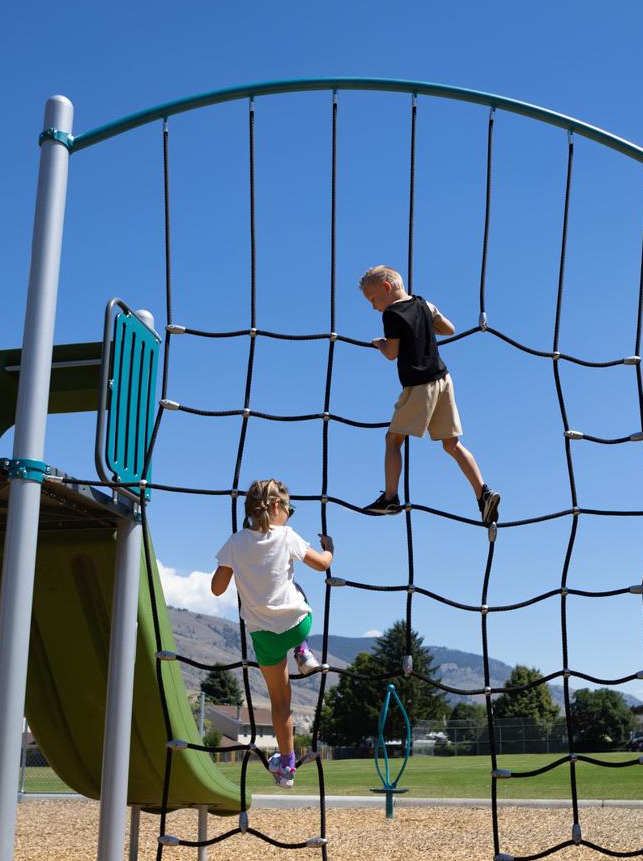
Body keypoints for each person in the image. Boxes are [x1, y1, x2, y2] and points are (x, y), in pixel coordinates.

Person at [210, 479, 335, 787]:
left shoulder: (235, 543)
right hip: (297, 624)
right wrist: (329, 549)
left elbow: (216, 589)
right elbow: (322, 565)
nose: (289, 515)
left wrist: (239, 570)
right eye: (289, 509)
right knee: (299, 590)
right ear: (277, 506)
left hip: (264, 636)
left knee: (281, 703)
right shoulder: (287, 536)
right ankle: (303, 651)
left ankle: (287, 768)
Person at [358, 265, 501, 525]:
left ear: (386, 289)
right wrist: (426, 320)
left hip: (419, 384)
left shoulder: (391, 313)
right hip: (444, 380)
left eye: (373, 299)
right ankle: (483, 494)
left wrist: (380, 344)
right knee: (452, 444)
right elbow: (449, 328)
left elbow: (392, 353)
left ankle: (390, 498)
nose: (374, 306)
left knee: (393, 439)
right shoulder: (423, 304)